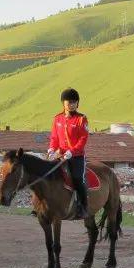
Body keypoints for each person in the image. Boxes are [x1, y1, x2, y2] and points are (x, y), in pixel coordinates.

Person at [48, 88, 90, 219]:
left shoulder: (81, 119)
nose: (71, 104)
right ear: (63, 103)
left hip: (76, 157)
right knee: (46, 175)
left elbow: (83, 139)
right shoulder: (57, 119)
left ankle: (83, 207)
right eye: (69, 102)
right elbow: (54, 137)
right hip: (60, 155)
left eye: (74, 102)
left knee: (77, 179)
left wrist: (72, 152)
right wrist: (51, 149)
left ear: (77, 103)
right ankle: (42, 205)